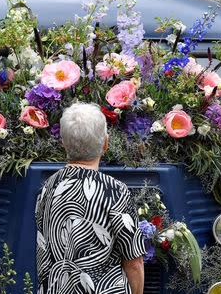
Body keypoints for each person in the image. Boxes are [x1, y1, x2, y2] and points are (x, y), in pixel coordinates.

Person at [35, 102, 146, 294]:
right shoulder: (115, 190)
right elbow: (134, 262)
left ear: (63, 143)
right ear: (105, 143)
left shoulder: (47, 188)